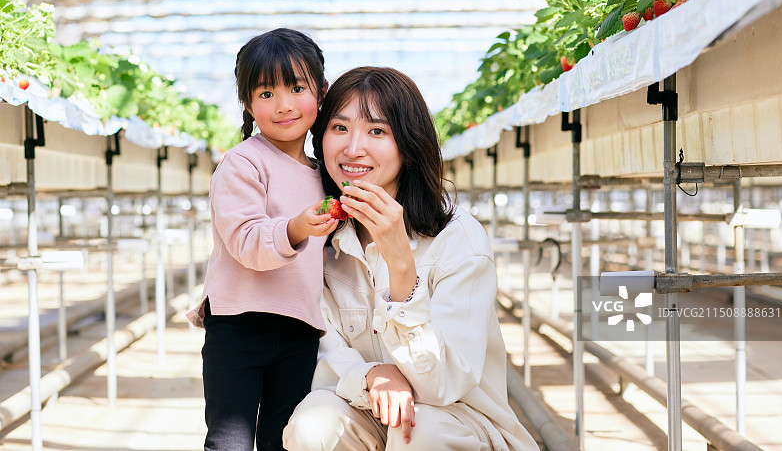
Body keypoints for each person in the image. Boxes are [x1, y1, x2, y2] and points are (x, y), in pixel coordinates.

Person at [283, 66, 539, 451]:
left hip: (461, 420)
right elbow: (327, 353)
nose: (353, 148)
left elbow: (442, 385)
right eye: (339, 128)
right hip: (367, 407)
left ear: (408, 143)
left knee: (421, 432)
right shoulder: (322, 237)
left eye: (377, 131)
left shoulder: (457, 238)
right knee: (312, 423)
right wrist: (374, 375)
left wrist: (401, 265)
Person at [187, 28, 339, 451]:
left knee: (285, 439)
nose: (284, 104)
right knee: (229, 440)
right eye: (266, 93)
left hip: (300, 328)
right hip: (239, 325)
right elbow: (246, 240)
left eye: (297, 87)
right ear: (248, 104)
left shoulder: (325, 172)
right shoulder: (242, 163)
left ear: (321, 92)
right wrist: (295, 228)